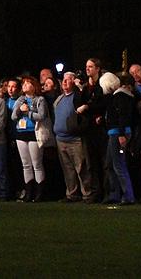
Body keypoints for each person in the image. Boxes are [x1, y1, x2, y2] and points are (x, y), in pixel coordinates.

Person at [53, 72, 94, 203]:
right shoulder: (59, 99)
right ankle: (72, 194)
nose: (64, 82)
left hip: (74, 139)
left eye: (68, 80)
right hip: (61, 139)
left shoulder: (77, 97)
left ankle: (87, 194)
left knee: (81, 167)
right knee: (68, 169)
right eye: (63, 80)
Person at [11, 76, 48, 202]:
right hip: (21, 133)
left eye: (28, 83)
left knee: (36, 164)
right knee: (25, 164)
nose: (25, 85)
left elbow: (42, 115)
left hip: (34, 132)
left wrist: (28, 112)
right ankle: (29, 192)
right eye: (24, 83)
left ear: (34, 86)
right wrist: (19, 110)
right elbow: (13, 116)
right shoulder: (20, 100)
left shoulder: (40, 99)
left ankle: (39, 193)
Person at [103, 73, 135, 205]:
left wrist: (121, 134)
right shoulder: (120, 96)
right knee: (111, 164)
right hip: (115, 132)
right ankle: (115, 193)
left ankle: (128, 195)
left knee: (118, 165)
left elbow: (123, 115)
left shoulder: (120, 96)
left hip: (118, 133)